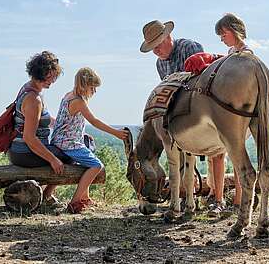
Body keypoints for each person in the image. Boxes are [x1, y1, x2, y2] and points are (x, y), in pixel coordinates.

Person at [140, 20, 228, 214]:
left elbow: (202, 79)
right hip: (178, 116)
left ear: (168, 37)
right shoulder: (160, 64)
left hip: (199, 109)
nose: (156, 51)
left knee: (217, 154)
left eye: (158, 45)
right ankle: (191, 197)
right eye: (152, 48)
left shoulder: (190, 47)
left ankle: (218, 197)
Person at [51, 67, 128, 214]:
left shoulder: (68, 95)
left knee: (89, 149)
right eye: (93, 88)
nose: (94, 91)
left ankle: (85, 197)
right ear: (84, 85)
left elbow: (68, 123)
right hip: (67, 142)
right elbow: (95, 121)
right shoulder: (78, 101)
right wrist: (116, 133)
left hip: (61, 139)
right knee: (96, 165)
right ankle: (75, 202)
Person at [8, 51, 72, 206]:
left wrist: (70, 129)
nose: (53, 80)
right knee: (71, 154)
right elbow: (29, 138)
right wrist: (53, 159)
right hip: (25, 152)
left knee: (73, 145)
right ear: (42, 73)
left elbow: (42, 119)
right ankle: (47, 197)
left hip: (21, 150)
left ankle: (44, 194)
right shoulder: (33, 99)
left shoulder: (28, 89)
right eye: (50, 76)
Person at [208, 12, 253, 214]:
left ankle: (238, 200)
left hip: (239, 114)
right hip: (223, 112)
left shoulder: (247, 54)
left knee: (235, 156)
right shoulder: (230, 52)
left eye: (223, 33)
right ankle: (219, 199)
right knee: (217, 155)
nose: (221, 38)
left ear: (231, 31)